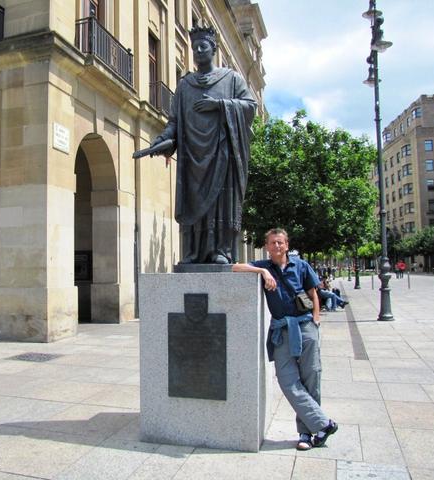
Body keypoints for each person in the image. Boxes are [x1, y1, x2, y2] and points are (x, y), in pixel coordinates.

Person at [150, 26, 257, 265]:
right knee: (194, 203)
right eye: (195, 47)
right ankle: (194, 253)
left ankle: (221, 250)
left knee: (220, 203)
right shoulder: (185, 85)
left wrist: (219, 105)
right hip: (192, 156)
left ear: (214, 49)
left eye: (203, 46)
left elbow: (250, 107)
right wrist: (163, 140)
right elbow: (174, 122)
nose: (198, 51)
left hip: (221, 153)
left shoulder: (231, 79)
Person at [233, 228, 338, 450]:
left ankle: (307, 434)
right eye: (272, 243)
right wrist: (262, 272)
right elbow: (234, 267)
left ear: (287, 245)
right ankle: (323, 424)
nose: (276, 246)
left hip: (305, 325)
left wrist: (316, 320)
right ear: (267, 246)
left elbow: (313, 294)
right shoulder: (264, 266)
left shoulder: (301, 265)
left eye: (280, 242)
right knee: (288, 380)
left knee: (311, 378)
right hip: (281, 330)